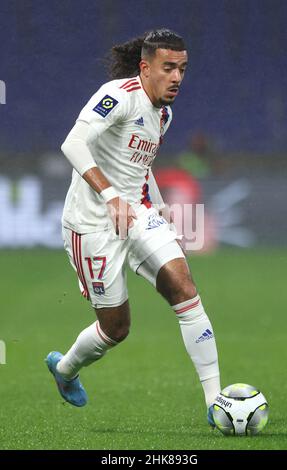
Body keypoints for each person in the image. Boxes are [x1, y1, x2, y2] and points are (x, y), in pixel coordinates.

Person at [45, 28, 220, 426]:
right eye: (168, 68)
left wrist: (159, 210)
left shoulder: (164, 113)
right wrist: (110, 197)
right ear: (146, 67)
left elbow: (138, 167)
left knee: (184, 288)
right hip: (91, 224)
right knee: (116, 328)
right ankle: (66, 369)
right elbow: (72, 143)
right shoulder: (119, 96)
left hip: (137, 214)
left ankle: (216, 402)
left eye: (183, 69)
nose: (177, 77)